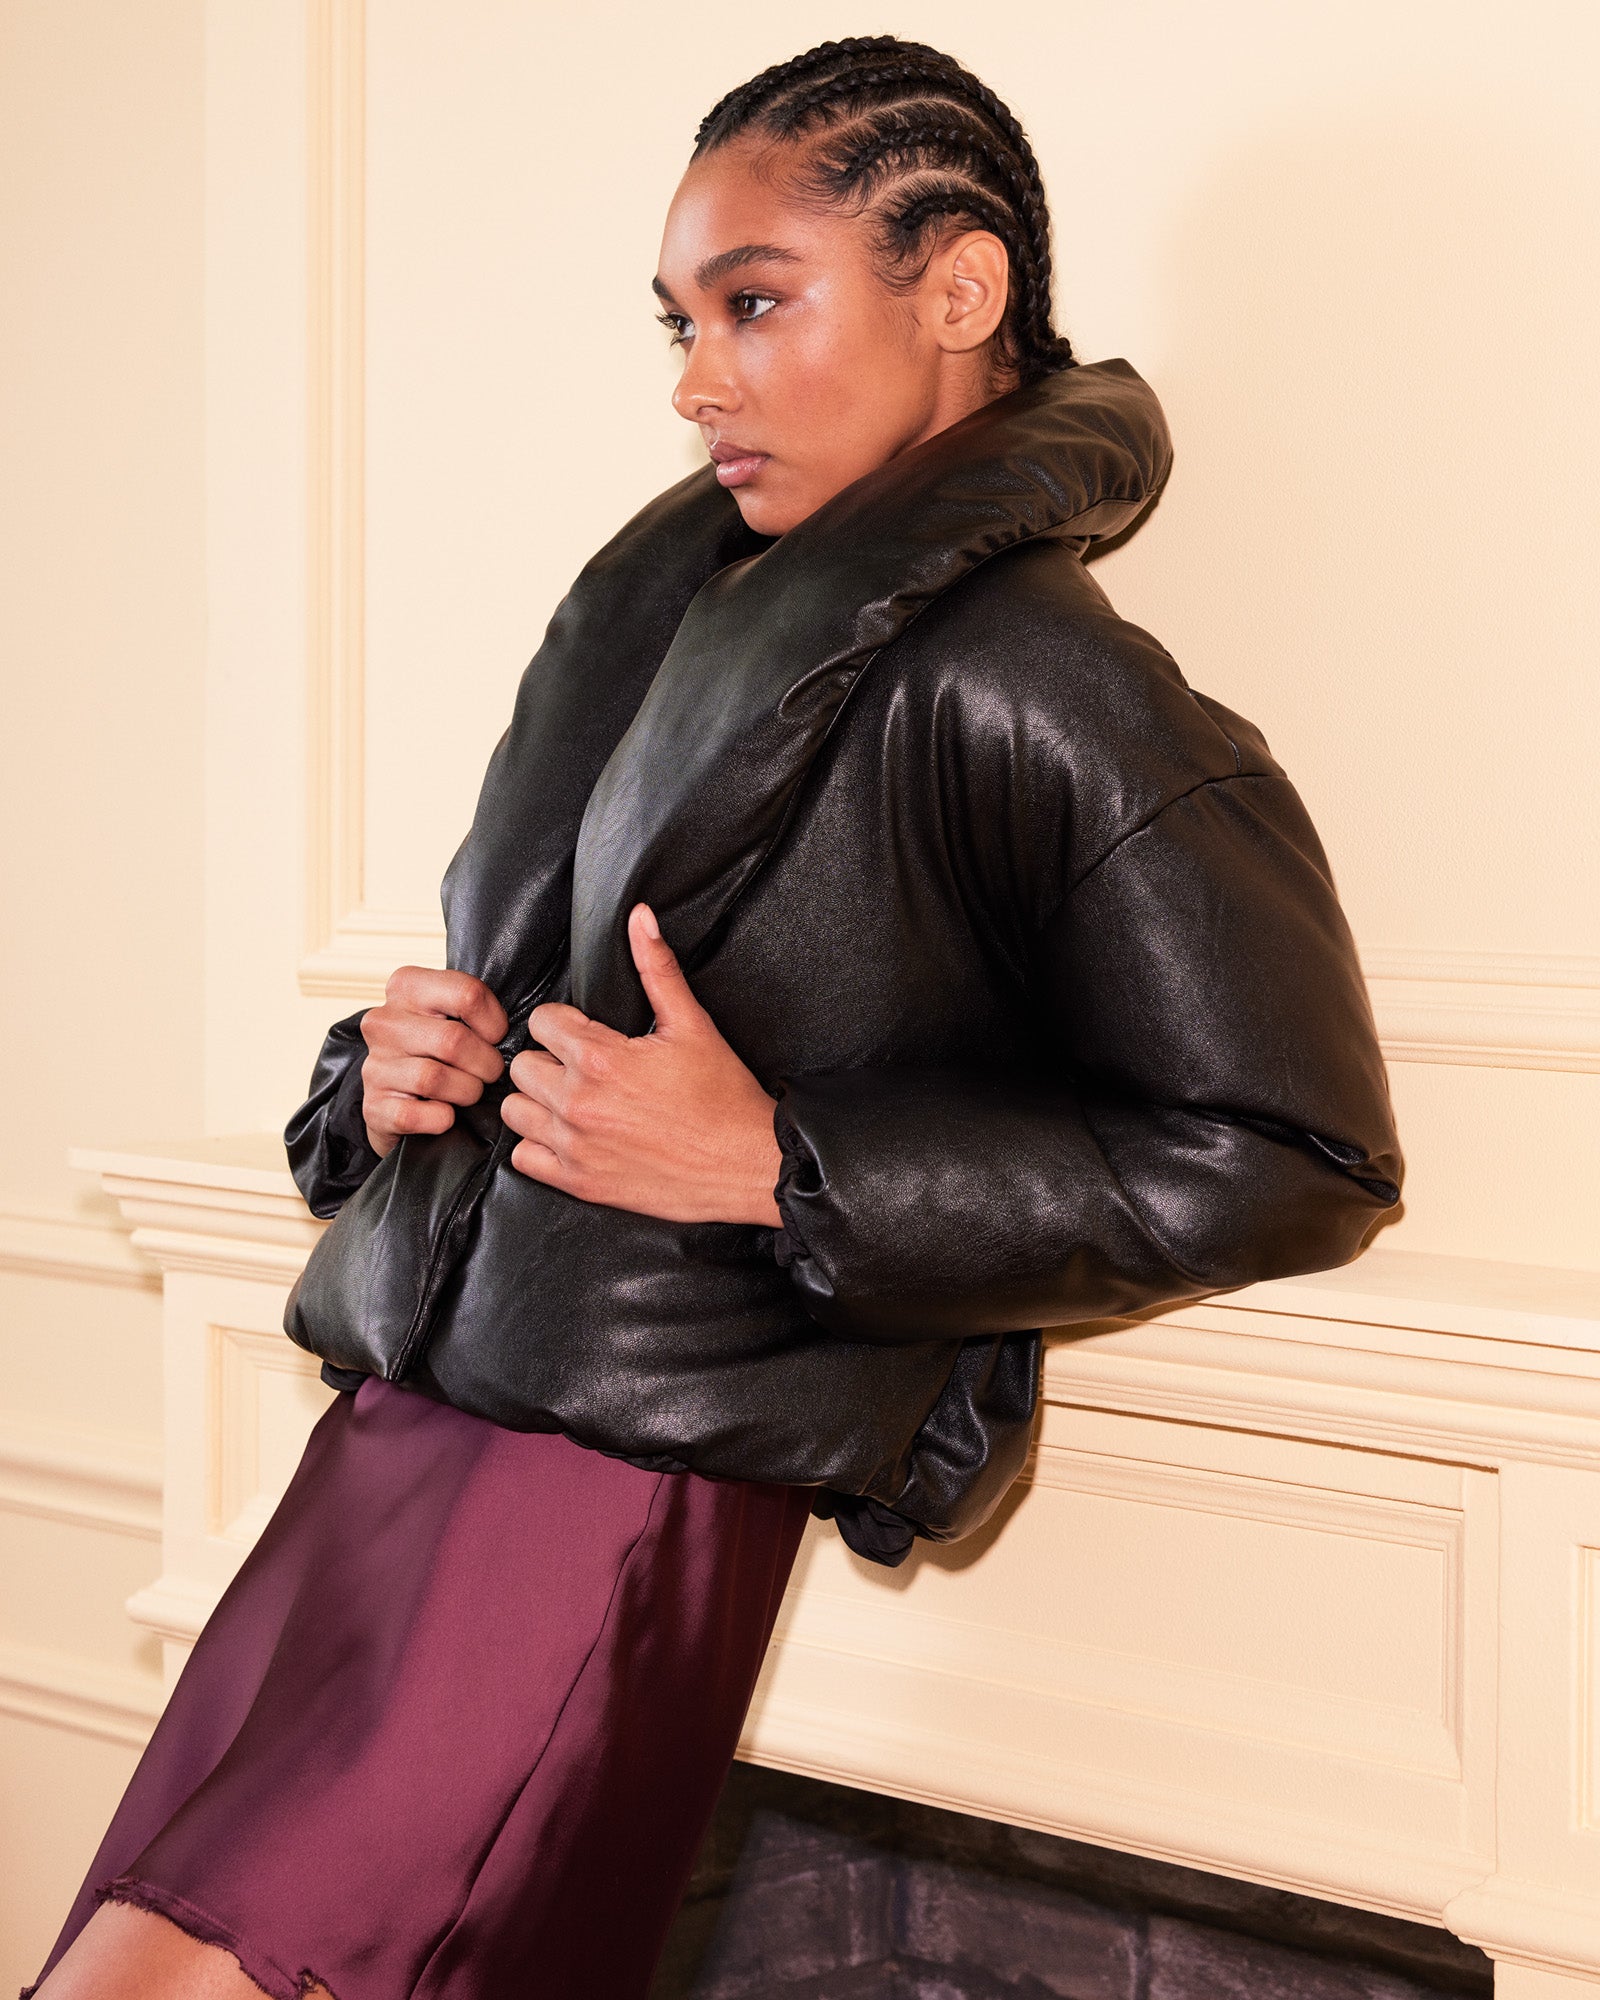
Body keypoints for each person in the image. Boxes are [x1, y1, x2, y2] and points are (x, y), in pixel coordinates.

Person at [26, 35, 1401, 2000]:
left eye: (755, 303)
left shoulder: (1033, 677)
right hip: (396, 1439)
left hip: (611, 1488)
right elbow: (585, 1021)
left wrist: (779, 1168)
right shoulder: (666, 633)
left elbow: (1294, 1148)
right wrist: (397, 1074)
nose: (696, 377)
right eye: (680, 320)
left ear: (959, 290)